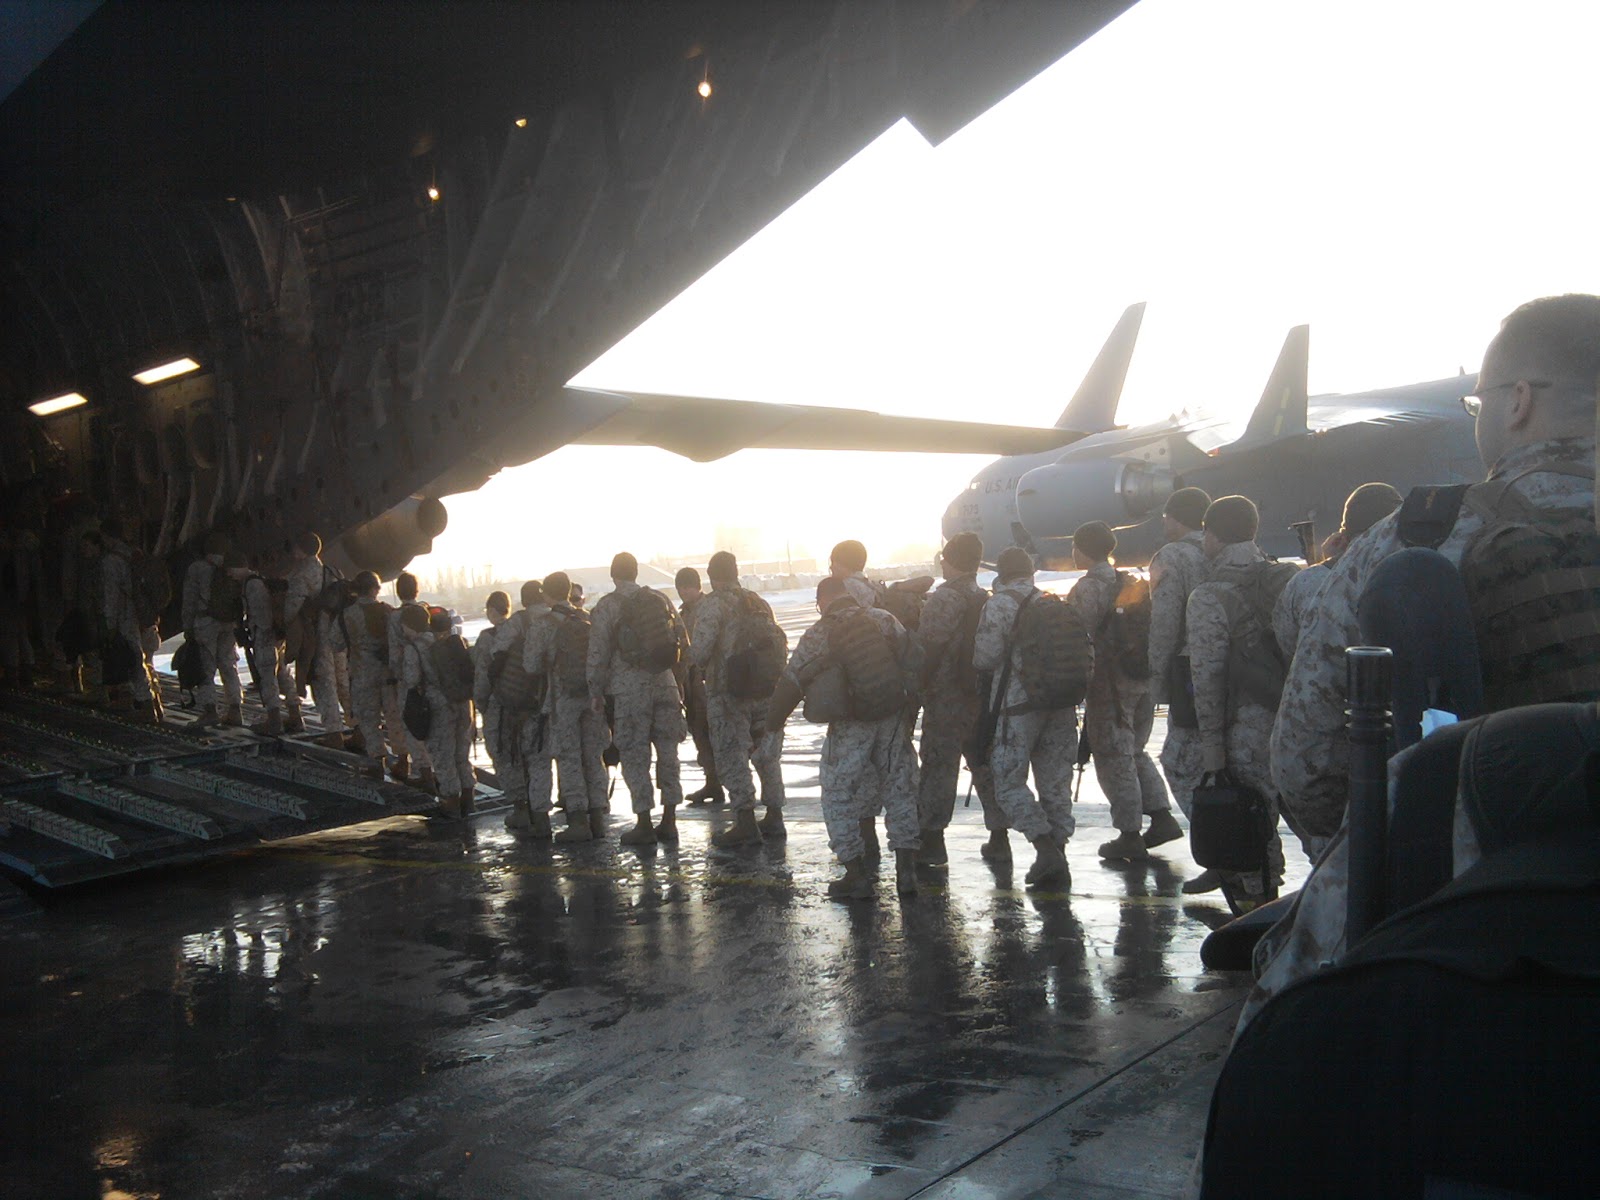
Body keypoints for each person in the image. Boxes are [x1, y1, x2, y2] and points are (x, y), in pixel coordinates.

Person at [1251, 293, 1600, 1024]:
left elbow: (1308, 763)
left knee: (1284, 1024)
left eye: (1480, 401)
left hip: (1480, 925)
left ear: (1519, 401)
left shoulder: (1424, 536)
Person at [767, 576, 920, 899]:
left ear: (821, 601)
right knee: (900, 791)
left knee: (837, 793)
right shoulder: (883, 619)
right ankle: (907, 872)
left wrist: (772, 724)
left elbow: (792, 681)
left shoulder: (820, 633)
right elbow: (914, 661)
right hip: (892, 717)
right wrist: (908, 710)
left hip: (851, 723)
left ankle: (855, 873)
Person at [1186, 496, 1292, 910]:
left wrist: (1212, 749)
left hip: (1247, 721)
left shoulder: (1210, 595)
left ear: (1212, 535)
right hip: (1293, 711)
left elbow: (1207, 678)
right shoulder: (1286, 577)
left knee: (1249, 820)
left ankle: (1257, 915)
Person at [1063, 521, 1177, 863]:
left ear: (1081, 549)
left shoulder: (1089, 587)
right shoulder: (1128, 581)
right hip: (1141, 676)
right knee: (1135, 751)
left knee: (1114, 757)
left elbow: (1075, 635)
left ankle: (1129, 834)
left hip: (1110, 685)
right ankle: (1161, 816)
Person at [972, 546, 1075, 889]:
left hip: (1017, 706)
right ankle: (1059, 855)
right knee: (1055, 783)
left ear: (1001, 574)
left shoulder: (1000, 604)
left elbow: (985, 657)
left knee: (1008, 781)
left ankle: (1044, 849)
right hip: (1061, 703)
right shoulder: (1051, 600)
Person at [914, 532, 1008, 864]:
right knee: (983, 762)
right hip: (980, 695)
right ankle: (999, 836)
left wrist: (917, 684)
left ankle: (932, 838)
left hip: (947, 696)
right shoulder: (983, 596)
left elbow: (930, 647)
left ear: (949, 560)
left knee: (939, 765)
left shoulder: (945, 598)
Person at [586, 552, 687, 846]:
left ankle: (644, 823)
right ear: (636, 573)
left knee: (634, 755)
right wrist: (677, 683)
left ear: (613, 575)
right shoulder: (660, 599)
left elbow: (598, 653)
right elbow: (682, 640)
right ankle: (669, 821)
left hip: (629, 690)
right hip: (665, 683)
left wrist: (595, 690)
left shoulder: (607, 606)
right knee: (668, 752)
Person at [1146, 487, 1218, 891]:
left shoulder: (1172, 556)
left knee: (1179, 760)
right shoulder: (1221, 549)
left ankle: (1221, 851)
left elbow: (1164, 623)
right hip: (1240, 672)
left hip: (1191, 671)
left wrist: (1157, 682)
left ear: (1174, 517)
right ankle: (1256, 859)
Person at [690, 551, 787, 846]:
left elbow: (700, 652)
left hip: (728, 692)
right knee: (766, 753)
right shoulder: (757, 601)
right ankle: (774, 815)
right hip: (764, 688)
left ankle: (745, 820)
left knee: (732, 753)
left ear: (711, 576)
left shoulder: (713, 604)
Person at [1272, 483, 1402, 660]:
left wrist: (1328, 563)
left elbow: (1288, 644)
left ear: (1344, 533)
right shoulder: (1414, 578)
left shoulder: (1304, 582)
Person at [537, 572, 611, 843]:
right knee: (593, 757)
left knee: (569, 759)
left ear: (547, 594)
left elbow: (531, 664)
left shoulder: (545, 623)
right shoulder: (587, 618)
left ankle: (578, 821)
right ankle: (598, 820)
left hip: (563, 698)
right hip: (592, 696)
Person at [400, 605, 475, 819]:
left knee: (443, 756)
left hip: (438, 706)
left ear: (408, 625)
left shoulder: (414, 648)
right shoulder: (447, 640)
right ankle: (469, 801)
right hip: (463, 702)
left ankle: (451, 804)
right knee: (461, 754)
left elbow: (412, 679)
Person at [284, 532, 345, 748]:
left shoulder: (301, 574)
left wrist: (282, 624)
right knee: (343, 681)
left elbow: (292, 608)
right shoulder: (331, 571)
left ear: (300, 550)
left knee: (323, 681)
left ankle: (334, 733)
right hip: (338, 631)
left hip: (317, 633)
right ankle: (358, 729)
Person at [328, 571, 391, 776]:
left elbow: (335, 644)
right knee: (396, 720)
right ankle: (405, 762)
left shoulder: (346, 615)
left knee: (369, 721)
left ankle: (377, 763)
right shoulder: (388, 612)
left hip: (363, 674)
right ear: (376, 589)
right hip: (390, 675)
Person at [182, 535, 246, 728]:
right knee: (229, 665)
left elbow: (190, 599)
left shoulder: (198, 568)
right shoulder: (230, 566)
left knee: (206, 667)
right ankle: (235, 710)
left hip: (206, 622)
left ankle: (210, 711)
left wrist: (187, 627)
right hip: (229, 622)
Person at [99, 521, 158, 723]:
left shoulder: (111, 561)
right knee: (140, 656)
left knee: (131, 657)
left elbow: (111, 594)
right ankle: (146, 699)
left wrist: (109, 623)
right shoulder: (134, 554)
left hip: (124, 614)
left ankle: (145, 702)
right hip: (141, 611)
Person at [675, 566, 723, 805]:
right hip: (692, 684)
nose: (684, 592)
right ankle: (712, 782)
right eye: (680, 588)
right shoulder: (683, 614)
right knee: (700, 734)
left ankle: (730, 783)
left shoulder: (709, 608)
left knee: (717, 733)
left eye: (687, 587)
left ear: (697, 586)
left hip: (709, 682)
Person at [386, 571, 434, 788]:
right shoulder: (426, 609)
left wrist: (396, 675)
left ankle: (424, 773)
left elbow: (394, 652)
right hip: (432, 681)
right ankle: (436, 771)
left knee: (412, 725)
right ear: (417, 590)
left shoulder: (395, 617)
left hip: (409, 679)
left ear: (398, 592)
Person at [242, 559, 297, 736]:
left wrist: (252, 630)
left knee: (267, 677)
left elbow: (262, 618)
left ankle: (274, 720)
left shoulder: (252, 585)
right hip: (278, 634)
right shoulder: (265, 582)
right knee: (283, 673)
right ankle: (295, 715)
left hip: (265, 635)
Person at [829, 539, 879, 609]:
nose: (831, 567)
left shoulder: (845, 587)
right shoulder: (871, 586)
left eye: (834, 562)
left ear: (845, 563)